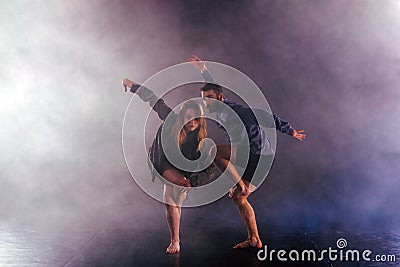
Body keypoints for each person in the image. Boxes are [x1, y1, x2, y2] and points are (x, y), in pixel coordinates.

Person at [187, 55, 306, 249]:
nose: (206, 102)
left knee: (217, 156)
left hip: (259, 157)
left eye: (209, 99)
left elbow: (267, 117)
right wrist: (203, 70)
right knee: (236, 195)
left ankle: (241, 188)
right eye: (204, 99)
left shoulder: (236, 111)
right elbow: (214, 88)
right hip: (244, 152)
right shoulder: (217, 108)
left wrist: (289, 130)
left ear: (220, 98)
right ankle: (254, 239)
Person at [122, 78, 209, 253]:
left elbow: (205, 166)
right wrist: (131, 85)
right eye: (188, 117)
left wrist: (193, 181)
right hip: (164, 163)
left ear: (200, 121)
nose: (192, 122)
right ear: (183, 116)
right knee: (170, 200)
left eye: (196, 119)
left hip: (185, 171)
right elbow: (154, 100)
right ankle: (175, 241)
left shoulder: (201, 139)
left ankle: (176, 240)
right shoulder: (171, 119)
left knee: (175, 203)